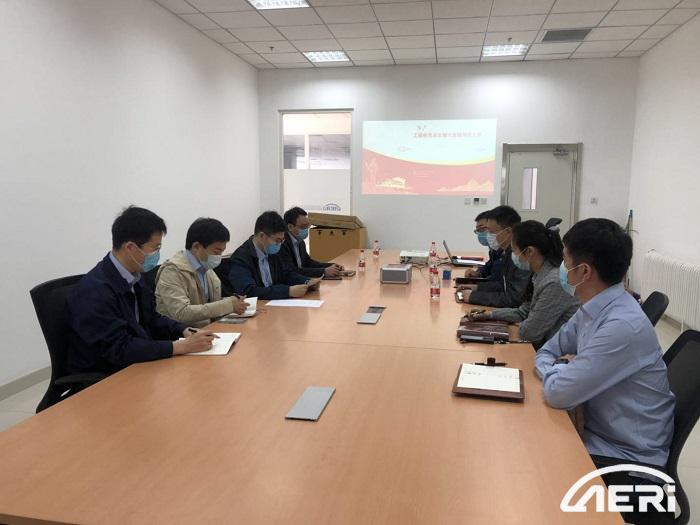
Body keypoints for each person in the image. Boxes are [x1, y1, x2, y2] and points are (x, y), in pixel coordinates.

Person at [535, 218, 674, 467]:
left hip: (625, 455)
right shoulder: (593, 307)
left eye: (565, 260)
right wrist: (568, 378)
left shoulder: (621, 326)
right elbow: (546, 352)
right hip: (595, 428)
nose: (562, 268)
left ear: (584, 271)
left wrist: (565, 373)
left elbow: (557, 393)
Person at [66, 206, 216, 375]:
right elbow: (118, 349)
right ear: (130, 247)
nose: (157, 254)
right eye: (155, 248)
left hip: (137, 361)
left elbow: (152, 318)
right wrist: (178, 347)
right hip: (107, 374)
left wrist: (183, 330)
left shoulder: (134, 276)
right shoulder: (94, 290)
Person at [468, 220, 579, 349]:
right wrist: (489, 315)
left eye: (514, 251)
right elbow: (523, 312)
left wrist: (522, 324)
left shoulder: (554, 282)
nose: (514, 256)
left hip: (553, 353)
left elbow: (530, 333)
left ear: (530, 251)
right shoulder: (539, 275)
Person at [155, 218, 248, 328]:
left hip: (208, 329)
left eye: (222, 252)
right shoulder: (172, 271)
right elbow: (181, 313)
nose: (219, 257)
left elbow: (210, 303)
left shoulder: (206, 267)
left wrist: (232, 302)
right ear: (196, 247)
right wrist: (227, 305)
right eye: (216, 252)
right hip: (182, 334)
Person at [229, 211, 321, 300]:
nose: (279, 244)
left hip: (274, 304)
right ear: (262, 236)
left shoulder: (272, 252)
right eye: (277, 240)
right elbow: (248, 291)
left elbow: (286, 274)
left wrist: (307, 281)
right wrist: (288, 291)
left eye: (282, 240)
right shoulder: (240, 258)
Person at [460, 205, 531, 307]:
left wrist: (474, 296)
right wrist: (477, 288)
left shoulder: (520, 256)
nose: (489, 236)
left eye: (492, 232)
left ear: (508, 231)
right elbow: (503, 285)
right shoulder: (507, 252)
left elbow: (514, 299)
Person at [280, 207, 343, 278]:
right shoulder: (282, 243)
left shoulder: (300, 241)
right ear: (290, 227)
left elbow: (308, 263)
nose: (306, 229)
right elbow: (291, 271)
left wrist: (331, 266)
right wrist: (324, 271)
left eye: (307, 226)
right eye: (303, 226)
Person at [465, 210, 503, 282]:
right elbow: (490, 265)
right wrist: (478, 273)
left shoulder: (508, 251)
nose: (480, 233)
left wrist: (477, 286)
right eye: (478, 230)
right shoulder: (494, 248)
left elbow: (496, 280)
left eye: (482, 229)